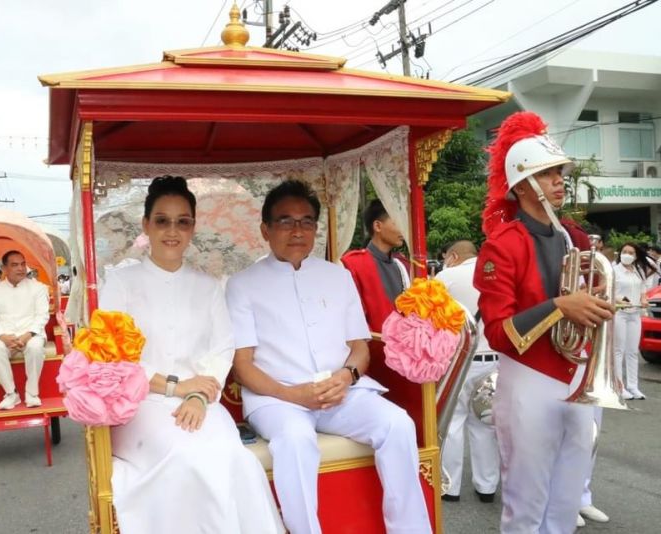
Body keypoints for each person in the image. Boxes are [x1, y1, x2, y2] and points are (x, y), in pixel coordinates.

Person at [226, 180, 431, 534]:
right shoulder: (242, 284)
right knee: (295, 440)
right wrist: (293, 395)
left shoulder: (338, 275)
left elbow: (360, 346)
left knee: (399, 425)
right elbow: (242, 365)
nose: (297, 231)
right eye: (286, 221)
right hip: (277, 399)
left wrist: (347, 376)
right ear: (265, 229)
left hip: (341, 391)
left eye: (307, 222)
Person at [99, 176, 284, 534]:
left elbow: (222, 349)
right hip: (142, 404)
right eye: (162, 220)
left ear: (193, 227)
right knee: (186, 458)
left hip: (202, 403)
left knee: (237, 461)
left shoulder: (209, 286)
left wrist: (198, 395)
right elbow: (115, 359)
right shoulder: (121, 284)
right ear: (146, 225)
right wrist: (175, 388)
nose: (172, 230)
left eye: (182, 221)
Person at [473, 111, 614, 534]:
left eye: (559, 173)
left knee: (567, 498)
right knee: (527, 502)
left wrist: (598, 305)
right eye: (550, 173)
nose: (560, 180)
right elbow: (498, 331)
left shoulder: (573, 236)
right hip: (528, 378)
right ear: (524, 183)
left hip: (574, 375)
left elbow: (583, 298)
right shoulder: (502, 245)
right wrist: (559, 306)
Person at [434, 240, 500, 503]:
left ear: (453, 255)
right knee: (484, 422)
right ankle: (487, 486)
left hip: (459, 360)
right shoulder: (495, 275)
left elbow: (432, 317)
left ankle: (450, 487)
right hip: (494, 359)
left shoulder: (446, 276)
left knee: (452, 422)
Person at [0, 250, 50, 410]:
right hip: (4, 336)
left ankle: (32, 393)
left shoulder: (38, 288)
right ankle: (11, 393)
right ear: (4, 268)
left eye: (22, 264)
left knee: (35, 347)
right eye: (14, 265)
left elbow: (42, 316)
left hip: (31, 334)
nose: (20, 268)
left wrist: (27, 336)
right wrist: (3, 337)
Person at [340, 199, 411, 329]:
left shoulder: (402, 265)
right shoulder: (353, 263)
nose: (403, 229)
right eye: (397, 223)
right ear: (377, 226)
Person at [613, 242, 651, 400]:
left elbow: (643, 292)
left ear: (635, 256)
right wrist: (620, 299)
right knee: (618, 350)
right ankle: (618, 386)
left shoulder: (638, 272)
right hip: (619, 313)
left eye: (630, 252)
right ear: (620, 253)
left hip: (635, 314)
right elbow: (608, 291)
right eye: (624, 251)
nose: (627, 254)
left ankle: (633, 386)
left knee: (633, 351)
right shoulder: (614, 271)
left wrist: (644, 300)